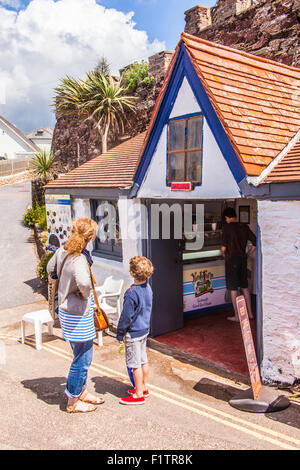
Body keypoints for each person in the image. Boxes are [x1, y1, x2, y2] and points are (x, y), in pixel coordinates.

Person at [47, 217, 104, 413]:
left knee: (80, 354)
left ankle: (81, 391)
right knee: (83, 358)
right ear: (89, 238)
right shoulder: (79, 258)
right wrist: (84, 294)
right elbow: (85, 283)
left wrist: (66, 285)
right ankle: (73, 400)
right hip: (77, 313)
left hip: (65, 311)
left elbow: (49, 269)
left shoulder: (63, 250)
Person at [117, 256, 154, 405]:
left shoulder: (131, 293)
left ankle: (138, 394)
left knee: (134, 364)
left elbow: (126, 317)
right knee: (143, 360)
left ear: (132, 273)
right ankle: (144, 387)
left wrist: (120, 333)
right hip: (144, 329)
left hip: (133, 332)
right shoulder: (148, 288)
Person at [221, 207, 256, 322]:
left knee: (233, 289)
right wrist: (247, 253)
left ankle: (237, 316)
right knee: (245, 287)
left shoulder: (227, 227)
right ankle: (250, 314)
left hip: (231, 261)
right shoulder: (244, 227)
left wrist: (223, 254)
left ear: (226, 217)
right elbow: (255, 243)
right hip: (242, 260)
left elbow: (223, 248)